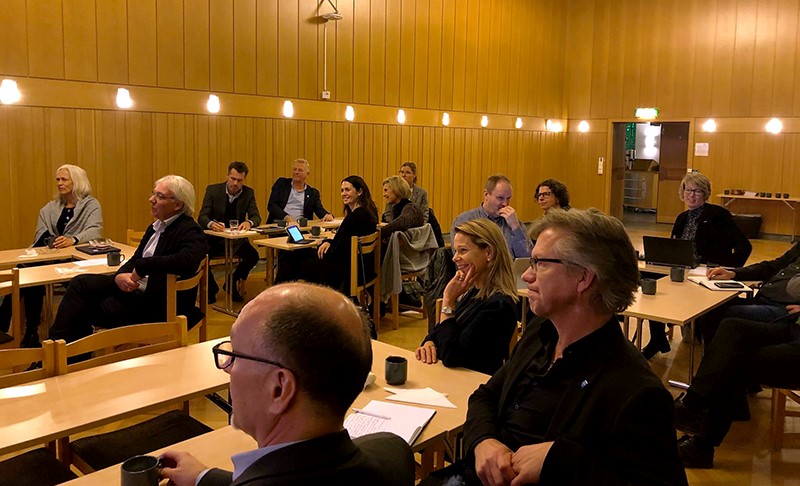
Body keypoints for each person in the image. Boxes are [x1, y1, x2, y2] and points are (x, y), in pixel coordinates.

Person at [422, 208, 687, 486]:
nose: (526, 275)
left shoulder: (636, 390)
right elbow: (485, 397)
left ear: (584, 278)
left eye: (539, 263)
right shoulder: (541, 333)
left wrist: (560, 460)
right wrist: (484, 441)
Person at [159, 283, 414, 486]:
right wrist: (204, 478)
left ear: (279, 389)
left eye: (235, 355)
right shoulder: (393, 454)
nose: (227, 368)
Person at [47, 175, 207, 343]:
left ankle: (57, 354)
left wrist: (144, 266)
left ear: (178, 205)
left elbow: (187, 260)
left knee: (80, 307)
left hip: (158, 305)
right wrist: (120, 276)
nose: (151, 199)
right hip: (138, 290)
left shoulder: (190, 230)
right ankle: (62, 351)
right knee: (81, 284)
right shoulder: (156, 226)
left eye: (160, 196)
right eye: (153, 193)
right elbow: (136, 258)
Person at [642, 172, 752, 358]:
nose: (691, 195)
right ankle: (657, 337)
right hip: (683, 270)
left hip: (707, 273)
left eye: (697, 191)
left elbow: (744, 247)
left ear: (706, 193)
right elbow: (673, 247)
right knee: (651, 284)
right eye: (688, 190)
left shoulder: (719, 215)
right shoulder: (682, 218)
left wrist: (730, 269)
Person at [673, 313, 800, 468]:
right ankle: (693, 405)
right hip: (796, 327)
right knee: (732, 327)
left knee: (738, 361)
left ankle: (702, 445)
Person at [0, 165, 103, 347]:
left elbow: (95, 229)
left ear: (76, 181)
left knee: (31, 275)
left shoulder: (90, 204)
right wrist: (52, 240)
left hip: (74, 261)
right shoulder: (51, 207)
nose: (59, 183)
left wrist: (74, 239)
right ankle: (29, 330)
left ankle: (38, 332)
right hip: (51, 256)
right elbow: (41, 231)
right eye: (57, 179)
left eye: (64, 179)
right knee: (26, 275)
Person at [415, 219, 518, 375]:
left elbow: (453, 355)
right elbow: (439, 332)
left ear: (489, 253)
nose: (454, 258)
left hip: (472, 386)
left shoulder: (499, 306)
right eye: (455, 251)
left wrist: (448, 300)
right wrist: (429, 342)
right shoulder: (474, 290)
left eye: (462, 251)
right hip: (451, 378)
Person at [274, 176, 379, 292]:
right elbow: (344, 241)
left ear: (359, 191)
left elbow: (337, 251)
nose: (344, 194)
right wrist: (328, 242)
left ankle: (276, 296)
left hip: (345, 269)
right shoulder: (369, 212)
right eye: (342, 190)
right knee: (297, 254)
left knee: (292, 260)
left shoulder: (355, 217)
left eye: (347, 190)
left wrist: (323, 244)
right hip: (360, 265)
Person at [197, 161, 262, 304]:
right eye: (233, 179)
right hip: (214, 238)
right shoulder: (213, 190)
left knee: (253, 256)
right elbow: (202, 216)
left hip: (236, 239)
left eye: (239, 180)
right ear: (227, 176)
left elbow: (256, 217)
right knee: (201, 256)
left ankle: (231, 282)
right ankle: (212, 288)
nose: (235, 183)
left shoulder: (248, 193)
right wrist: (211, 224)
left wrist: (248, 222)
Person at [451, 174, 531, 259]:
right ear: (486, 195)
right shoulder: (465, 220)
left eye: (508, 198)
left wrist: (515, 227)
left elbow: (527, 259)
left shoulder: (513, 222)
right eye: (500, 198)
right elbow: (461, 258)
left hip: (511, 271)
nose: (505, 204)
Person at [267, 158, 334, 223]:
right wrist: (287, 217)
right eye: (294, 169)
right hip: (279, 225)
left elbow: (320, 211)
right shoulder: (282, 184)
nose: (296, 172)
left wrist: (328, 215)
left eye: (300, 170)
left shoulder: (312, 193)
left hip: (301, 228)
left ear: (307, 174)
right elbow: (271, 206)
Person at [380, 175, 424, 246]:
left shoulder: (411, 208)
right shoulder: (397, 208)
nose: (383, 194)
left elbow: (402, 223)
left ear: (396, 190)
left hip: (407, 252)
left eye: (386, 190)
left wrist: (379, 233)